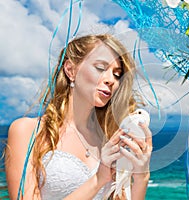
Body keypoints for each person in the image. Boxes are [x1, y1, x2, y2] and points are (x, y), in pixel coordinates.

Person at [5, 34, 152, 200]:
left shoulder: (110, 139)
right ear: (71, 70)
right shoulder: (27, 130)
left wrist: (141, 177)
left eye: (117, 74)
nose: (111, 80)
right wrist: (98, 180)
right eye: (101, 68)